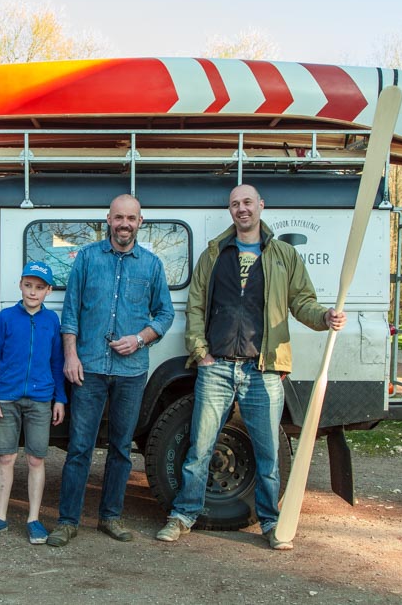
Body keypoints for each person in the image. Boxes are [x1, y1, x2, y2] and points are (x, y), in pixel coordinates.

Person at [155, 184, 346, 550]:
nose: (241, 209)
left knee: (268, 454)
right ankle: (182, 516)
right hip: (217, 367)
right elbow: (195, 305)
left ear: (260, 205)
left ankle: (272, 524)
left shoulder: (283, 255)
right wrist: (201, 352)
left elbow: (302, 302)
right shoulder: (215, 253)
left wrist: (324, 317)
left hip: (264, 370)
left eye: (247, 202)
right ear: (230, 211)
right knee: (199, 449)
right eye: (234, 204)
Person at [46, 194, 175, 547]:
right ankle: (68, 521)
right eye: (118, 217)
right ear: (108, 219)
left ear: (140, 222)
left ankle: (110, 517)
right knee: (79, 447)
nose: (124, 224)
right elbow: (70, 312)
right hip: (88, 369)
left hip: (131, 371)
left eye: (130, 218)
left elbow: (165, 314)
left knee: (120, 448)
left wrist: (140, 339)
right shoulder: (87, 258)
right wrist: (70, 356)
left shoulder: (151, 265)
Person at [0, 261, 67, 545]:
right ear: (20, 285)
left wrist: (59, 399)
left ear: (48, 291)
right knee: (6, 457)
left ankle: (34, 519)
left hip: (41, 399)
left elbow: (57, 362)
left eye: (39, 287)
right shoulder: (6, 318)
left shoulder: (51, 321)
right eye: (28, 285)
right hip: (7, 398)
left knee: (36, 458)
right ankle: (0, 517)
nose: (33, 292)